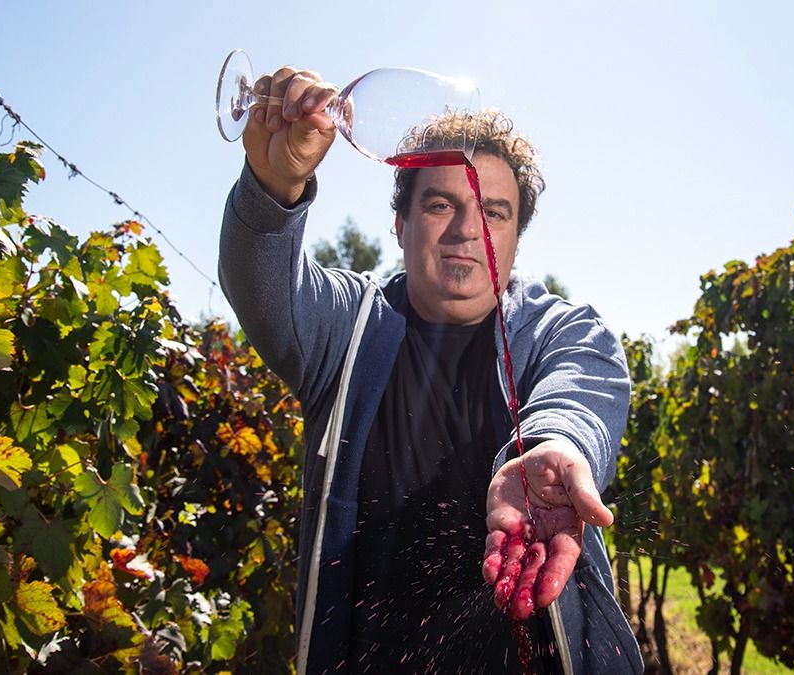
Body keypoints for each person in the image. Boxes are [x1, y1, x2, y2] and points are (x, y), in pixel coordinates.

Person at [218, 66, 643, 675]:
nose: (468, 229)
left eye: (495, 212)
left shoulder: (566, 332)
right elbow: (261, 286)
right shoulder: (347, 326)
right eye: (442, 204)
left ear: (517, 237)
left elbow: (580, 394)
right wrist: (272, 186)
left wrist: (557, 444)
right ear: (401, 223)